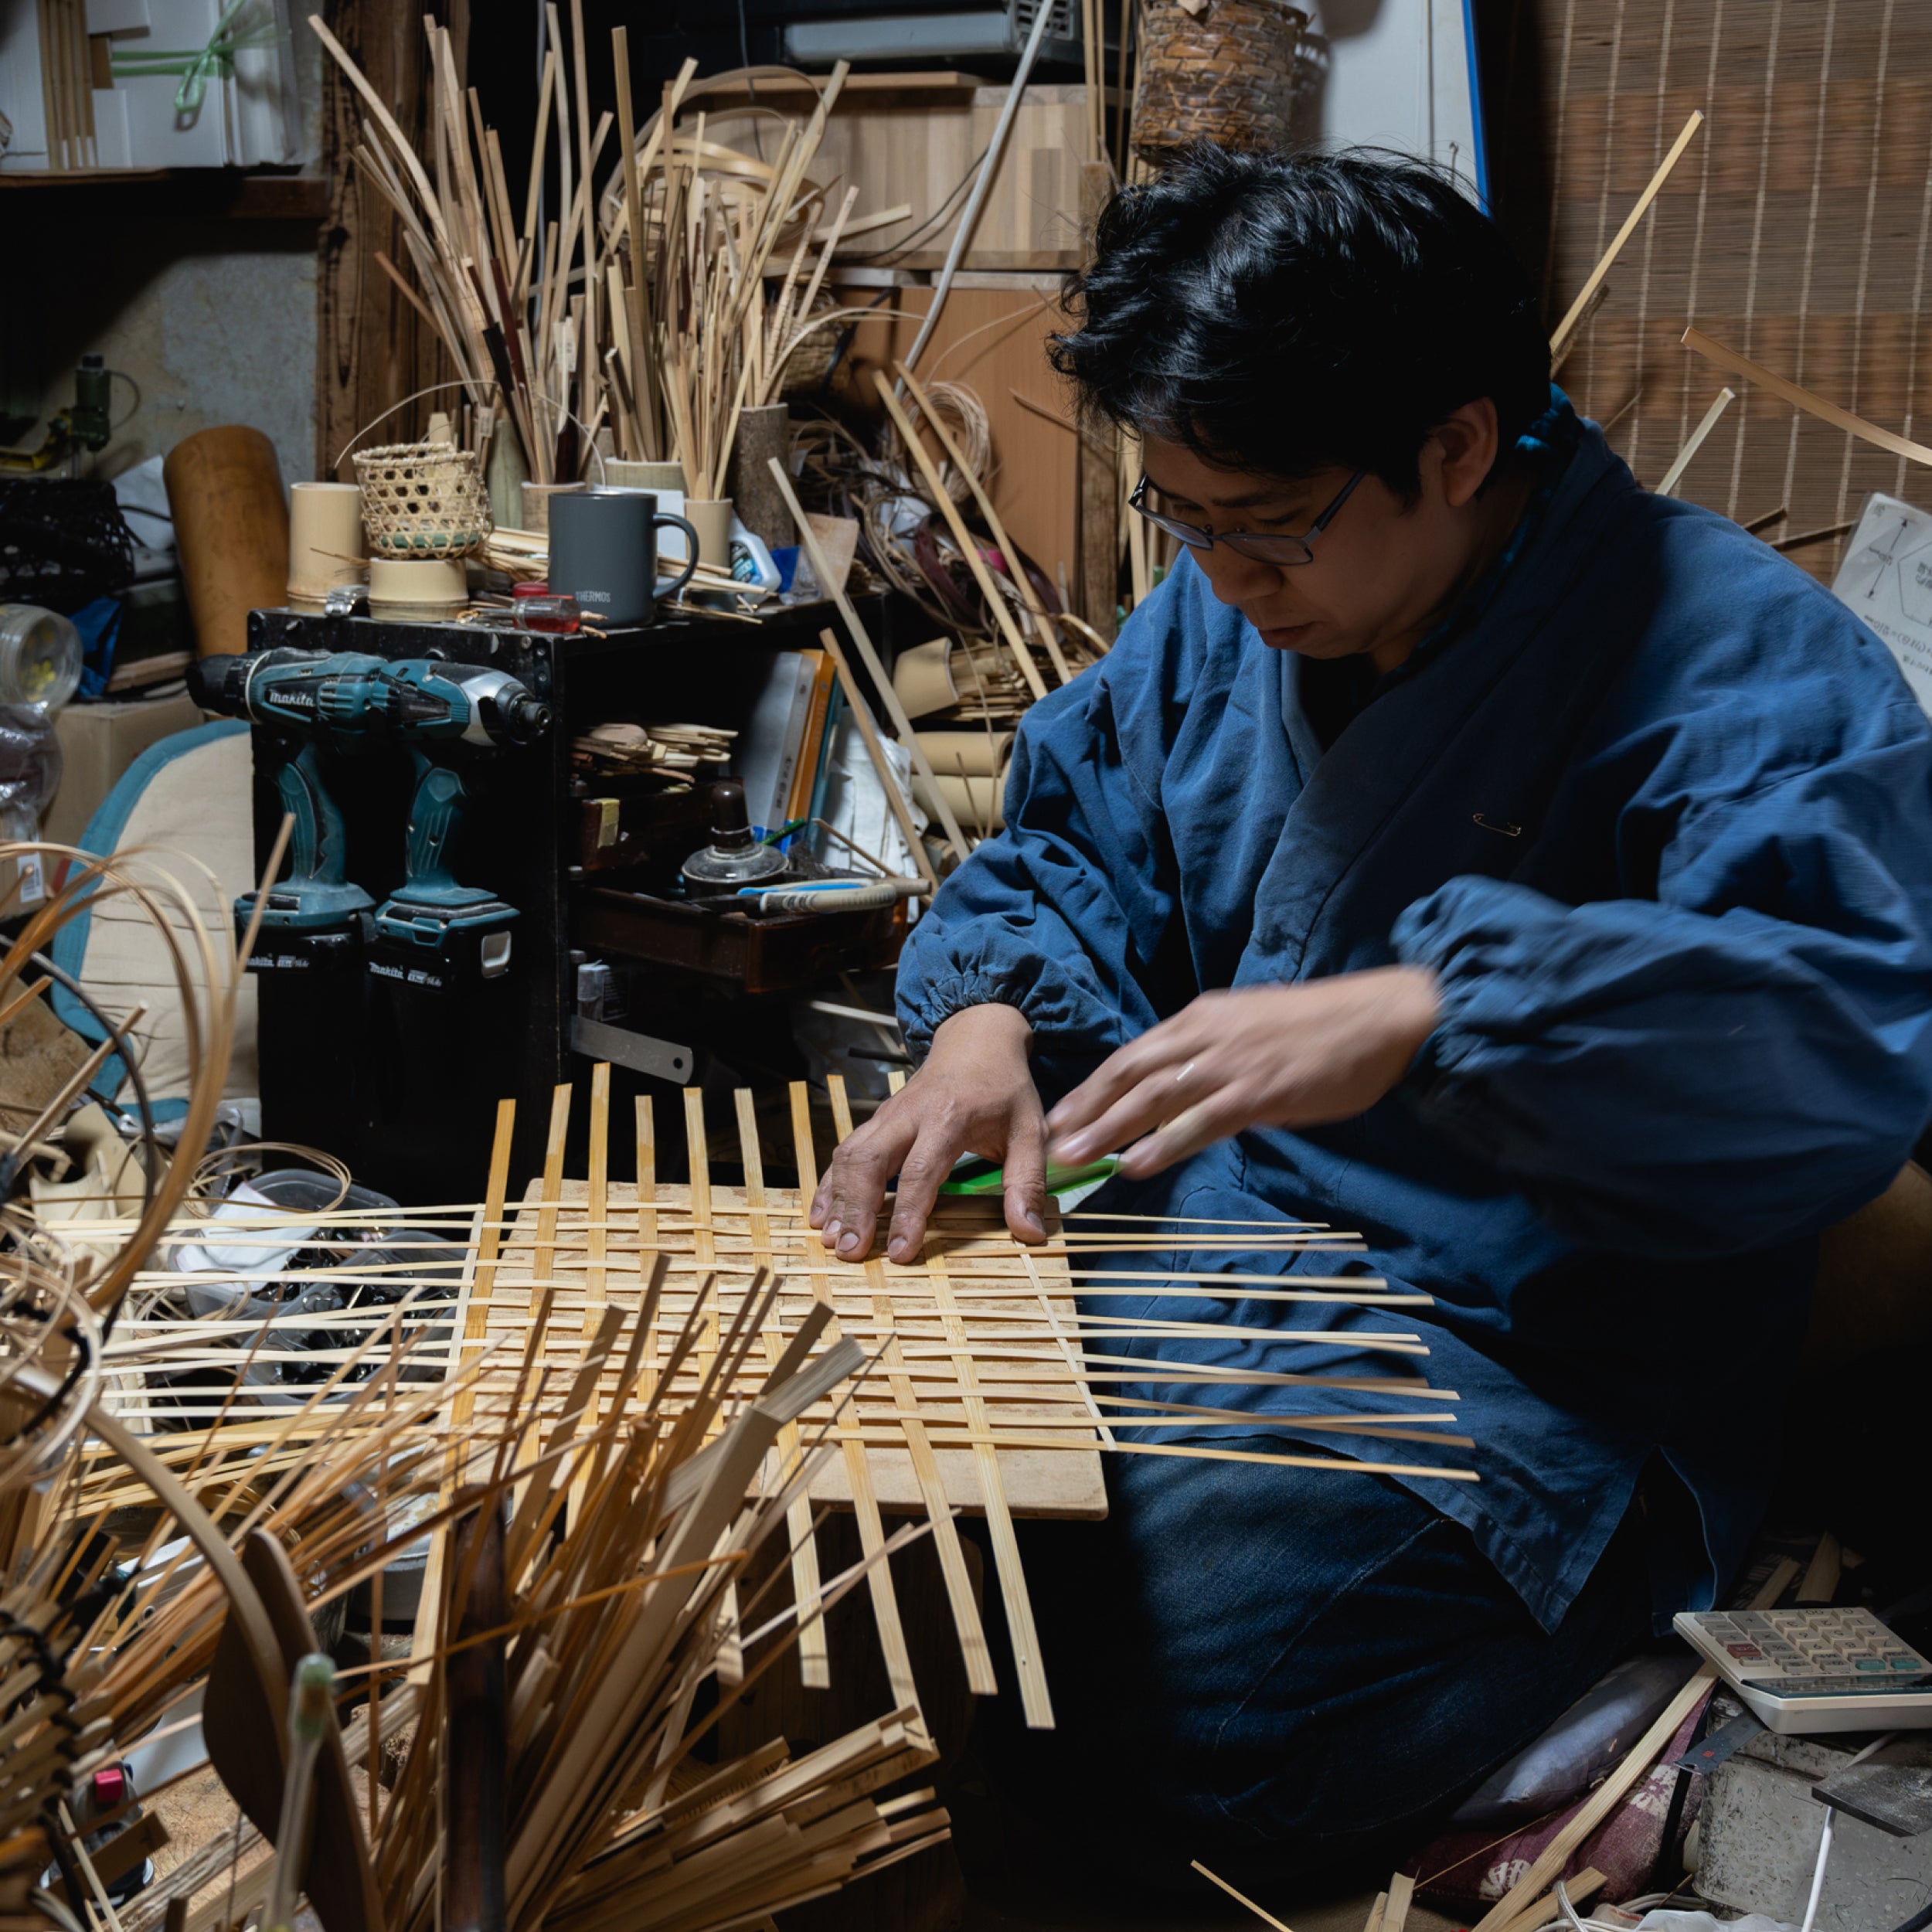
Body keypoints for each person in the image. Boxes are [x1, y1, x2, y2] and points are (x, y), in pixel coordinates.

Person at [811, 146, 1932, 1887]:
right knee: (885, 1536)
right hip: (1211, 1248)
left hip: (1518, 1370)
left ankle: (1600, 1699)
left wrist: (1433, 1007)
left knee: (1188, 1720)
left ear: (1459, 446)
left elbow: (1827, 1044)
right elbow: (1069, 837)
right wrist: (986, 1034)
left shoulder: (1746, 667)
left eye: (1261, 522)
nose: (1218, 572)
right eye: (1185, 519)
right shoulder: (1226, 604)